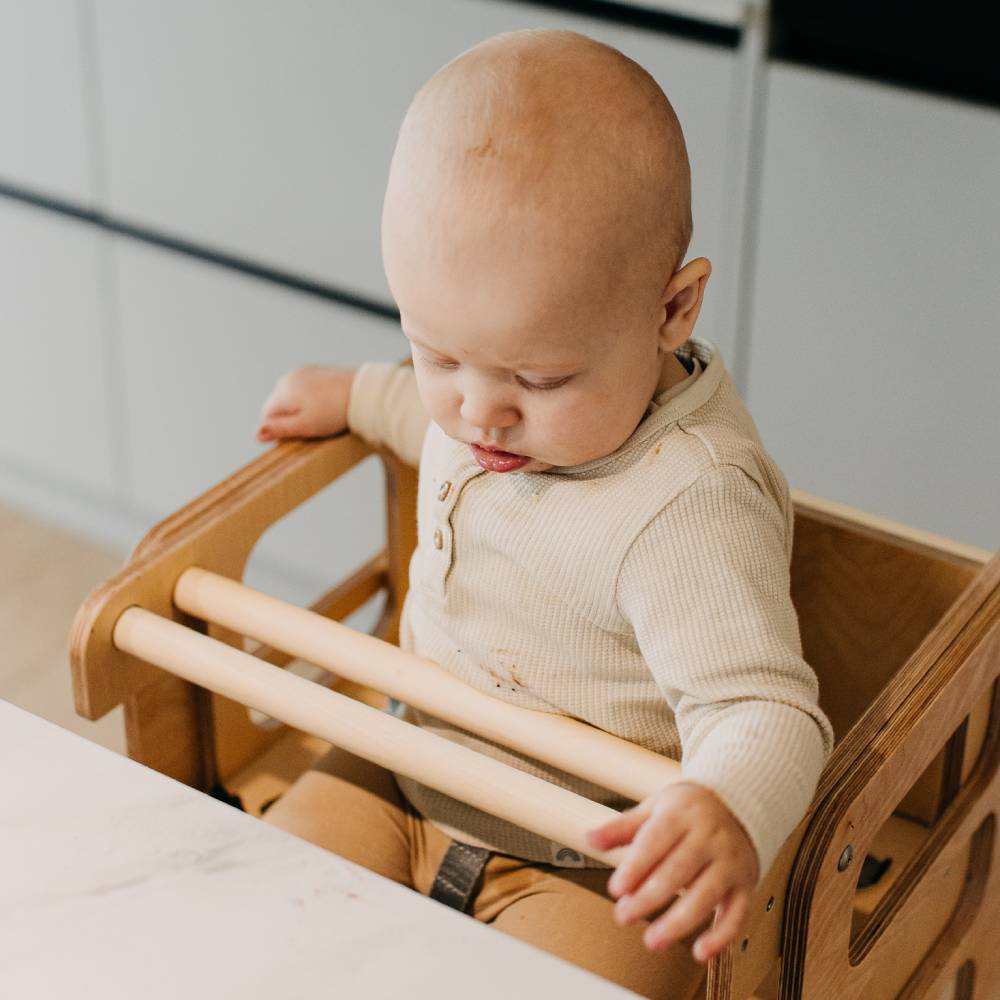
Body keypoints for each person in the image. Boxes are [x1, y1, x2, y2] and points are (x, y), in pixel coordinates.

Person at [255, 28, 833, 998]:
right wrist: (362, 392)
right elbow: (426, 420)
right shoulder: (488, 404)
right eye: (436, 352)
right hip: (402, 769)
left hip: (592, 858)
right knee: (260, 910)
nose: (479, 410)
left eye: (537, 375)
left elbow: (763, 708)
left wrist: (727, 804)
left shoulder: (687, 506)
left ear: (671, 310)